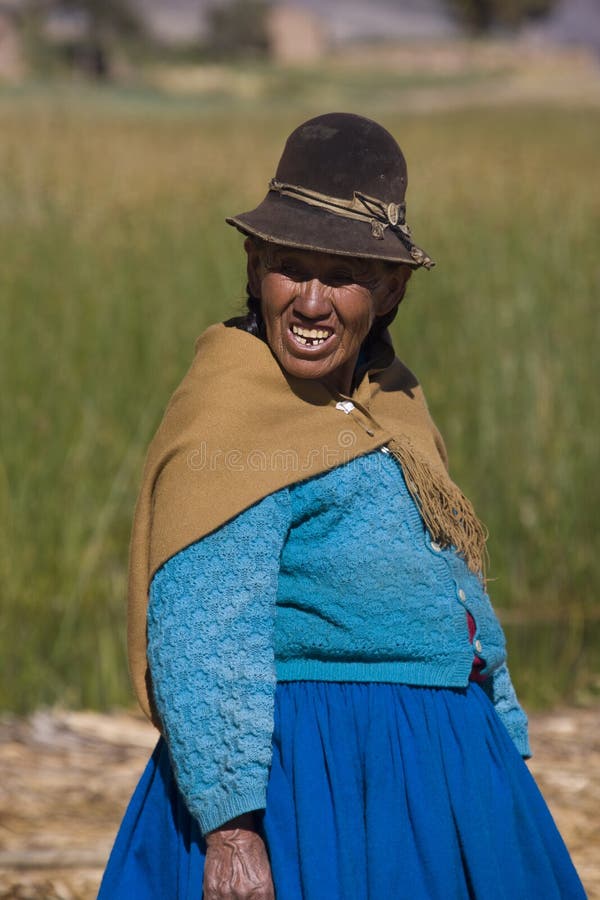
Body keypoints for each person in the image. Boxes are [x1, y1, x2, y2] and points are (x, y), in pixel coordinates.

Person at [99, 113, 586, 899]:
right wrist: (232, 833)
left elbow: (454, 587)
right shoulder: (233, 416)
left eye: (346, 272)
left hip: (439, 773)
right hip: (315, 780)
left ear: (393, 286)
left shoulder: (390, 401)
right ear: (254, 265)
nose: (313, 301)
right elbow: (203, 630)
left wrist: (503, 738)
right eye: (292, 267)